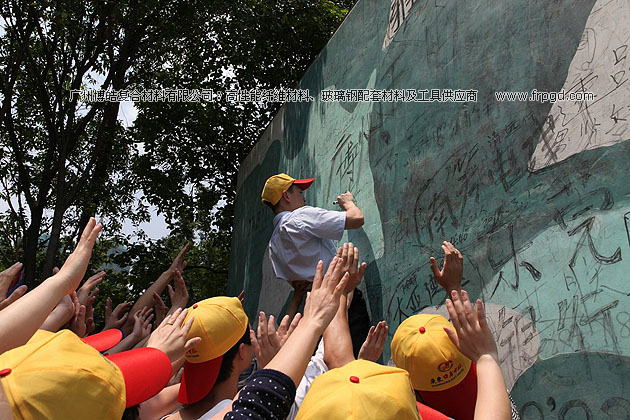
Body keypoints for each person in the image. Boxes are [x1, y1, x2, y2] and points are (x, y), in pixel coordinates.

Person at [261, 173, 369, 354]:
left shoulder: (274, 244)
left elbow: (297, 284)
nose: (304, 197)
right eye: (299, 191)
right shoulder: (300, 217)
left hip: (312, 309)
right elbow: (356, 219)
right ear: (286, 196)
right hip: (338, 297)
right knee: (355, 356)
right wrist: (348, 203)